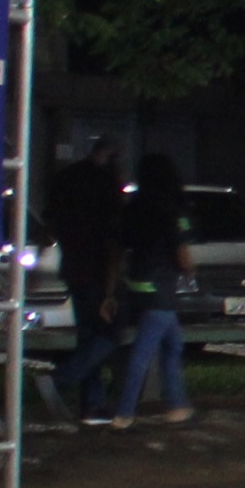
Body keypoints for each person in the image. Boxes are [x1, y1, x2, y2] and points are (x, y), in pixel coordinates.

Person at [105, 153, 195, 428]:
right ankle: (124, 414)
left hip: (136, 284)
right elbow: (182, 255)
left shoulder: (133, 207)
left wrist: (110, 292)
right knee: (143, 352)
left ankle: (177, 406)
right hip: (161, 288)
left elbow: (116, 251)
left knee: (172, 345)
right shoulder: (173, 211)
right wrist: (190, 270)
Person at [45, 137, 127, 423]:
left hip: (73, 266)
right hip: (98, 270)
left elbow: (51, 220)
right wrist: (111, 290)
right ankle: (63, 377)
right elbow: (114, 240)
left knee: (88, 335)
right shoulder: (106, 186)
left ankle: (92, 404)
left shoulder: (67, 179)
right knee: (109, 333)